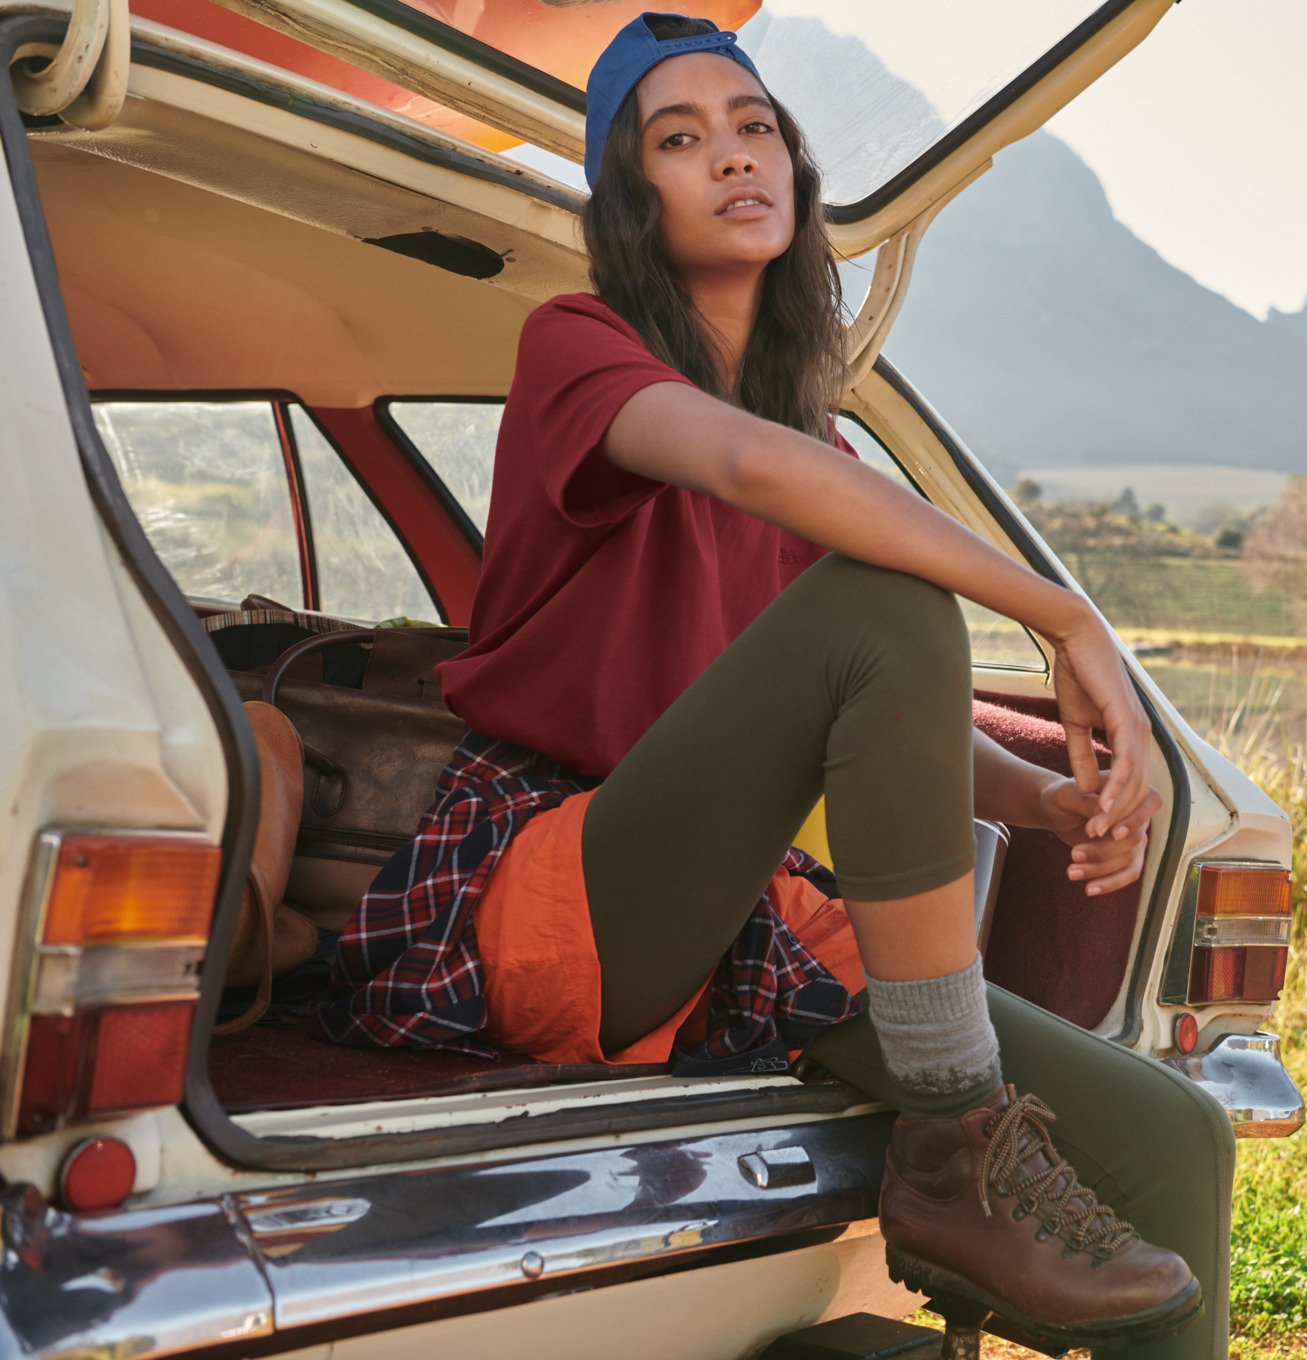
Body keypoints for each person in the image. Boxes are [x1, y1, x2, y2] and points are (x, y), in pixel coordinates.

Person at [317, 14, 1233, 1358]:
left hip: (726, 905)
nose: (733, 157)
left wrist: (1046, 800)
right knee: (891, 600)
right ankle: (959, 1145)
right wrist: (1059, 614)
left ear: (795, 170)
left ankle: (962, 1142)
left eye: (755, 128)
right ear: (632, 198)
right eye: (679, 140)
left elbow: (863, 702)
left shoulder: (820, 445)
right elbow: (757, 482)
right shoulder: (578, 348)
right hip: (549, 882)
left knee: (1177, 1137)